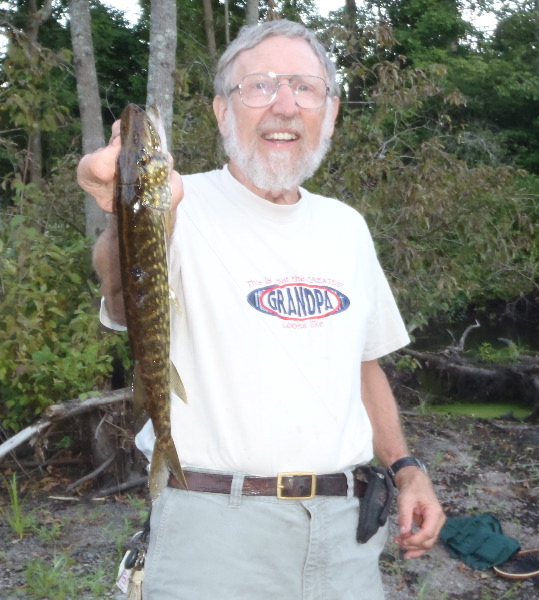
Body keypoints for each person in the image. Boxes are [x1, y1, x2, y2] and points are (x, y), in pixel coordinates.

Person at [79, 19, 445, 600]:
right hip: (214, 530)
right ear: (223, 111)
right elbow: (125, 298)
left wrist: (405, 466)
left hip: (346, 533)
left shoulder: (346, 227)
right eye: (259, 86)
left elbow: (362, 364)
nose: (284, 105)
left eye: (305, 87)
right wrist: (121, 206)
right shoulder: (176, 200)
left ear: (331, 111)